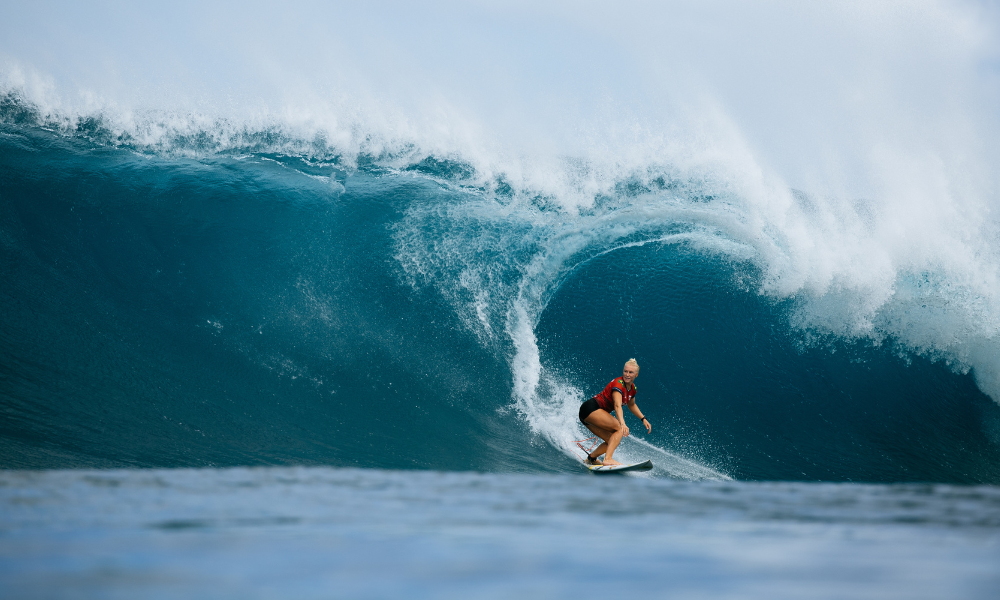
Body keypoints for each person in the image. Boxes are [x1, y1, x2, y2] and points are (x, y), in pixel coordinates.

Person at [578, 358, 650, 466]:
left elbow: (632, 405)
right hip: (590, 409)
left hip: (588, 415)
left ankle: (591, 459)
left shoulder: (633, 388)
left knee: (611, 440)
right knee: (619, 429)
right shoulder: (618, 384)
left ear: (636, 375)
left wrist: (643, 419)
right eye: (625, 371)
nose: (627, 374)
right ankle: (608, 459)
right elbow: (617, 405)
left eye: (631, 372)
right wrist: (622, 424)